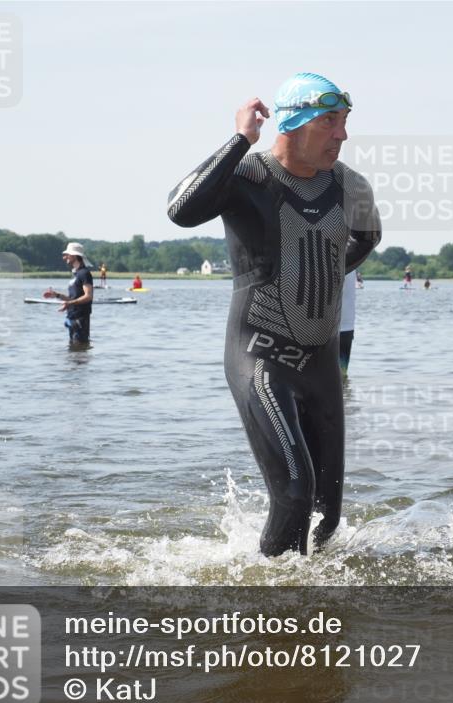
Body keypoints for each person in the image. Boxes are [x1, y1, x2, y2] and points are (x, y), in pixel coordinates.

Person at [167, 72, 381, 556]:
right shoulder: (247, 176)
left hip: (321, 365)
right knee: (294, 491)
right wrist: (241, 140)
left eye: (345, 122)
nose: (342, 135)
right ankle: (274, 612)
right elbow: (180, 209)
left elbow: (367, 239)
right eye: (330, 122)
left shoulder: (352, 187)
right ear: (295, 123)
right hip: (260, 357)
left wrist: (317, 273)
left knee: (328, 514)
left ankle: (315, 600)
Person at [43, 242, 94, 343]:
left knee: (79, 351)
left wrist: (69, 304)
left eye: (67, 254)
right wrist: (57, 295)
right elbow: (73, 298)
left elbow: (88, 296)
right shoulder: (76, 274)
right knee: (74, 353)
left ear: (75, 256)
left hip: (80, 319)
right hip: (72, 317)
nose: (64, 257)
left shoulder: (84, 273)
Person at [339, 270, 357, 377]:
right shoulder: (354, 258)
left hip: (341, 326)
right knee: (342, 375)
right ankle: (344, 392)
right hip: (346, 325)